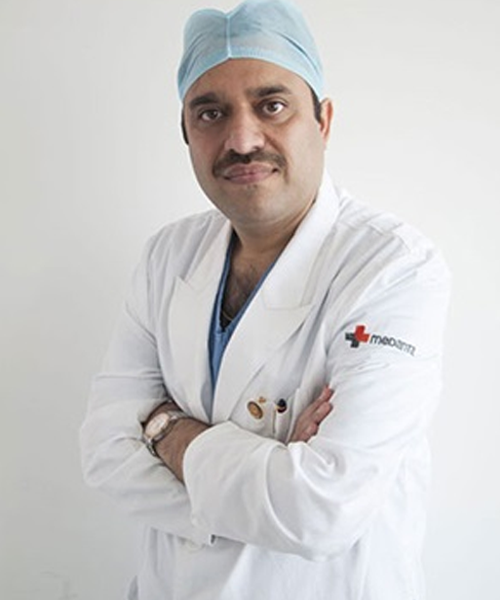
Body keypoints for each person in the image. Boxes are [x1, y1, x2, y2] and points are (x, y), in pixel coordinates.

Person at [80, 1, 450, 598]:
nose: (242, 139)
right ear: (186, 132)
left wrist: (164, 429)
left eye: (272, 105)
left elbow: (321, 510)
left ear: (323, 120)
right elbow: (103, 451)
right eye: (211, 113)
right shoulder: (167, 256)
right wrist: (266, 480)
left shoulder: (393, 268)